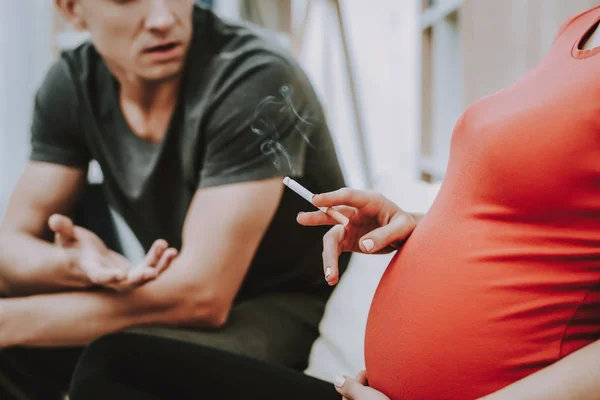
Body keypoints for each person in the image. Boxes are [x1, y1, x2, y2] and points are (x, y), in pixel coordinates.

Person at [69, 4, 600, 400]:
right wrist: (419, 224)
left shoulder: (247, 72)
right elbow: (538, 212)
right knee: (118, 366)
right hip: (361, 390)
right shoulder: (579, 29)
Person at [0, 0, 350, 399]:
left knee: (117, 367)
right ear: (72, 10)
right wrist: (69, 265)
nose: (164, 19)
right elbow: (10, 251)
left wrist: (11, 323)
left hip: (283, 308)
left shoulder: (251, 76)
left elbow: (201, 297)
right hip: (176, 292)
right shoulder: (73, 83)